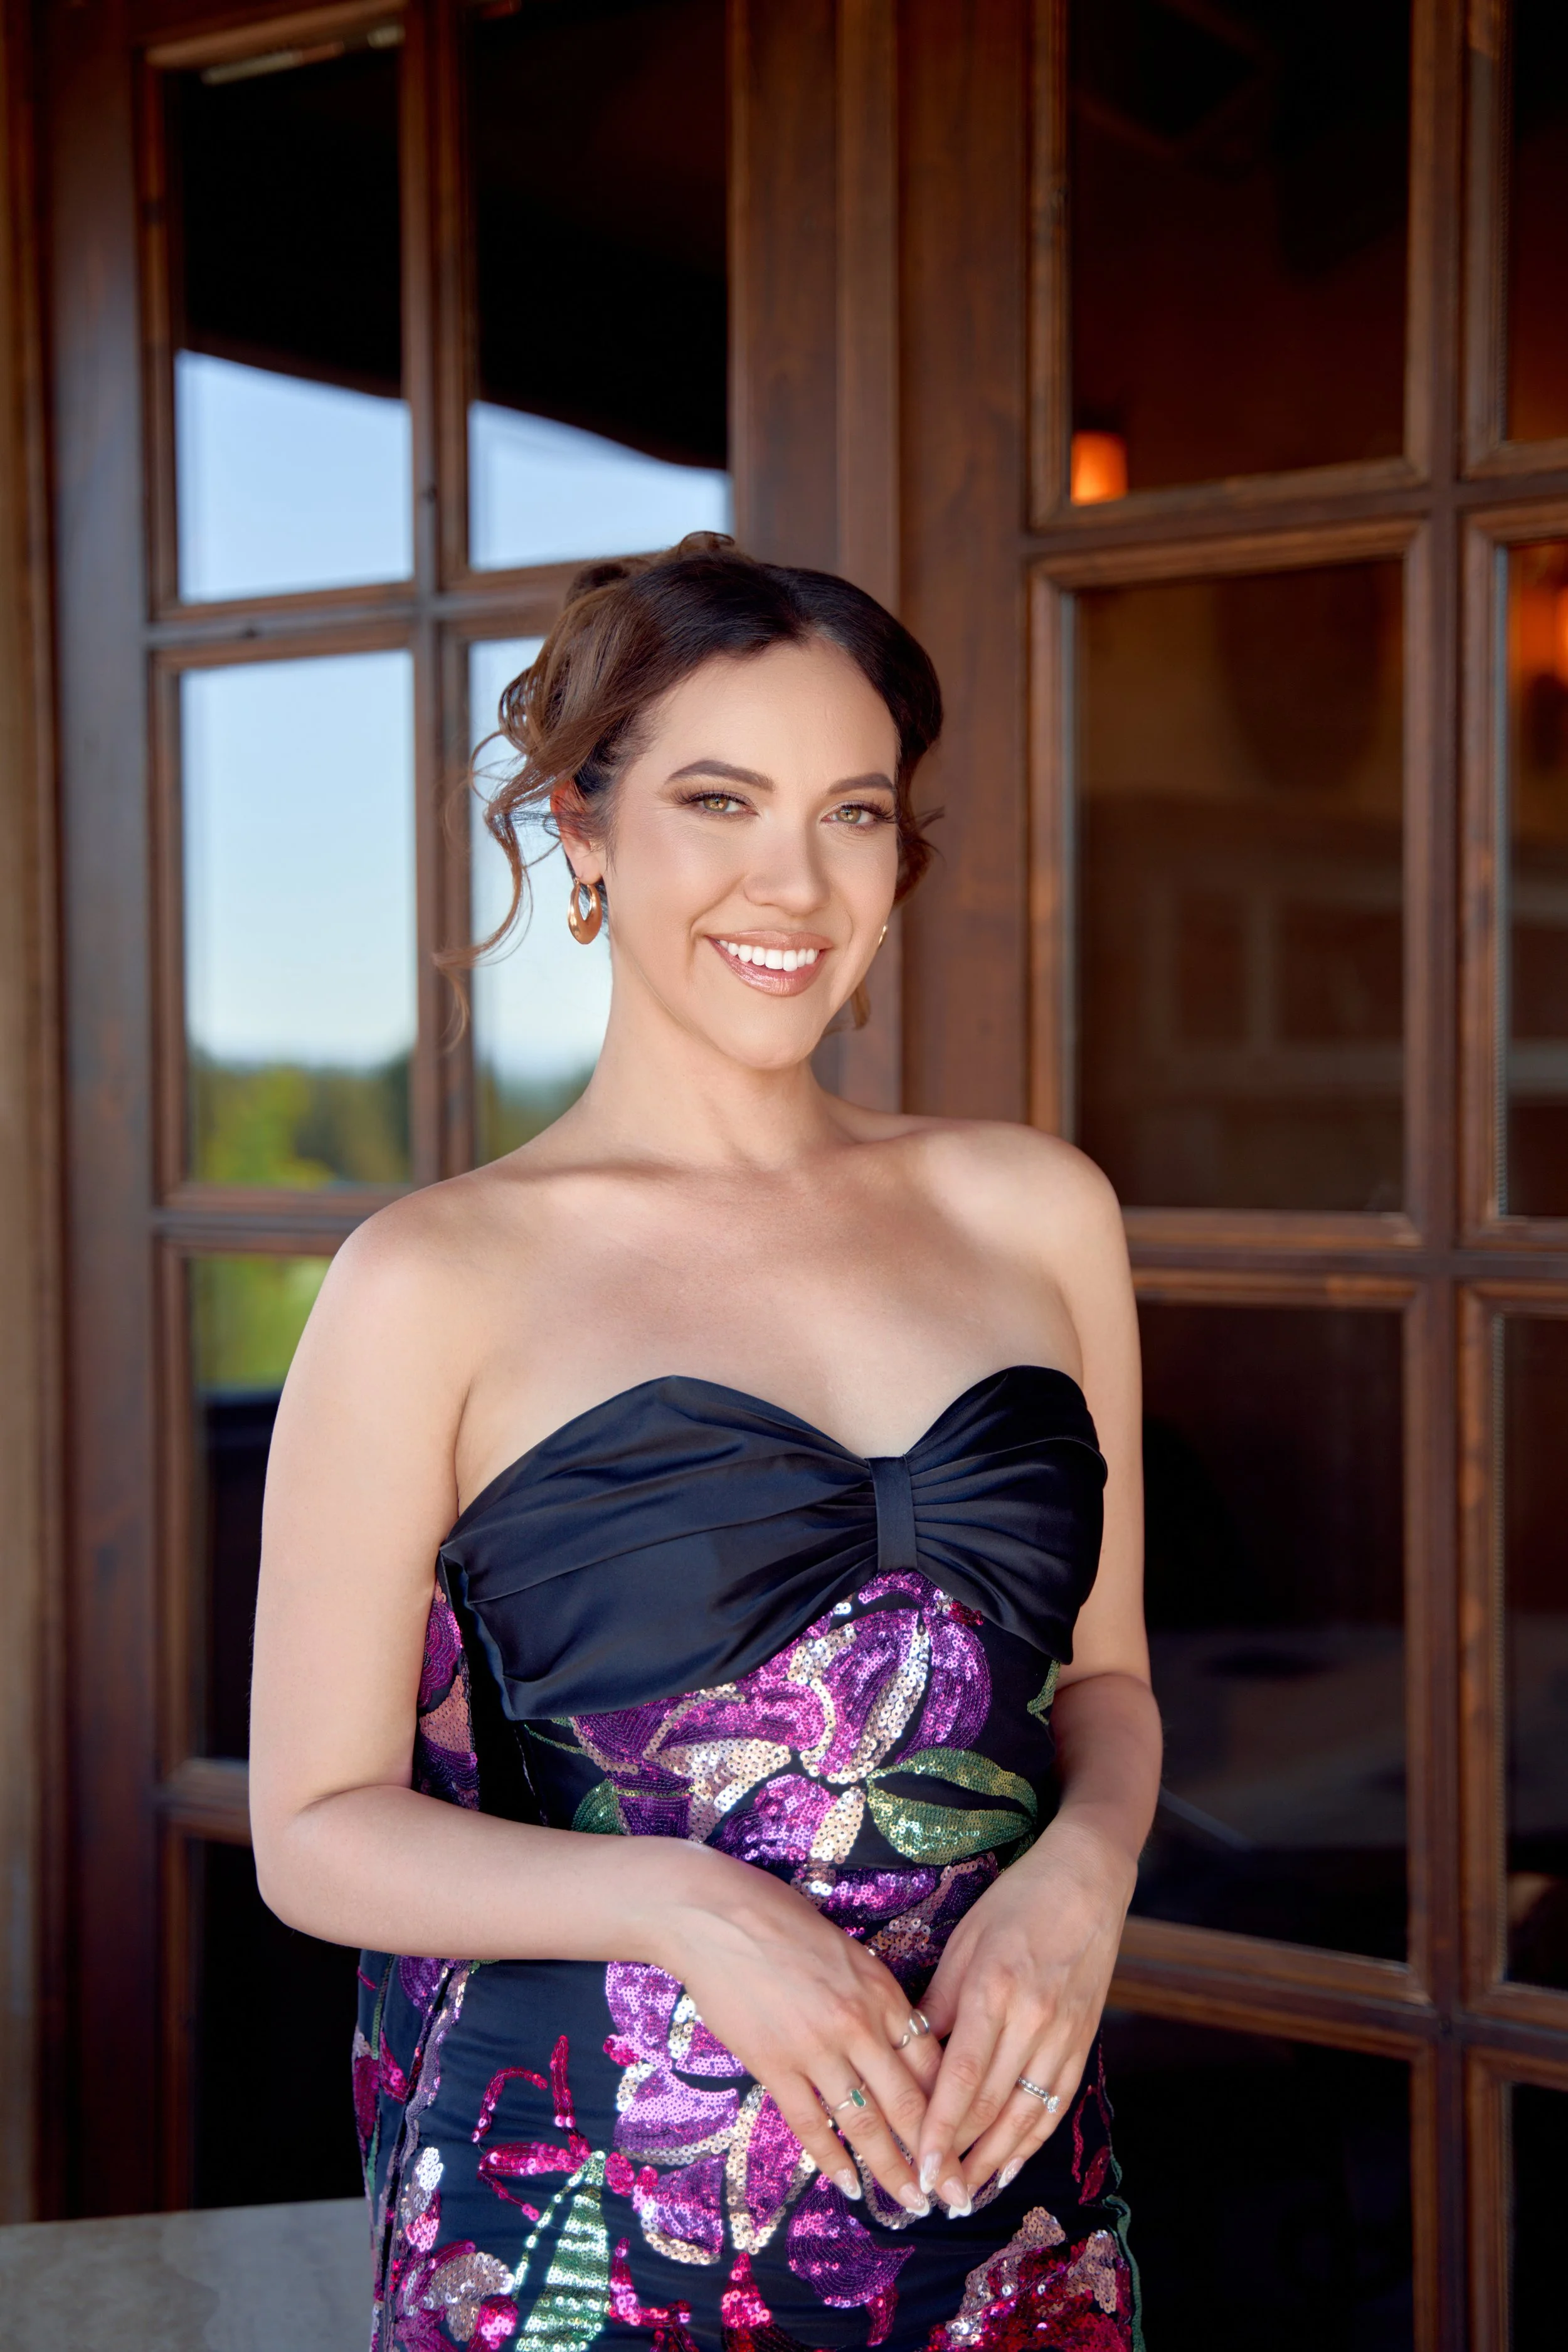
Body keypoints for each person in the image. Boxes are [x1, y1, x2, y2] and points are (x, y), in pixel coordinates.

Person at [249, 536, 1162, 2352]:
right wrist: (688, 1906)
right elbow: (314, 1831)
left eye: (851, 813)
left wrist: (1083, 1871)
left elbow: (1107, 1680)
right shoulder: (431, 1277)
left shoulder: (1036, 1210)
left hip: (999, 2188)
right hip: (594, 2201)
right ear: (582, 835)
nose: (791, 880)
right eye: (715, 798)